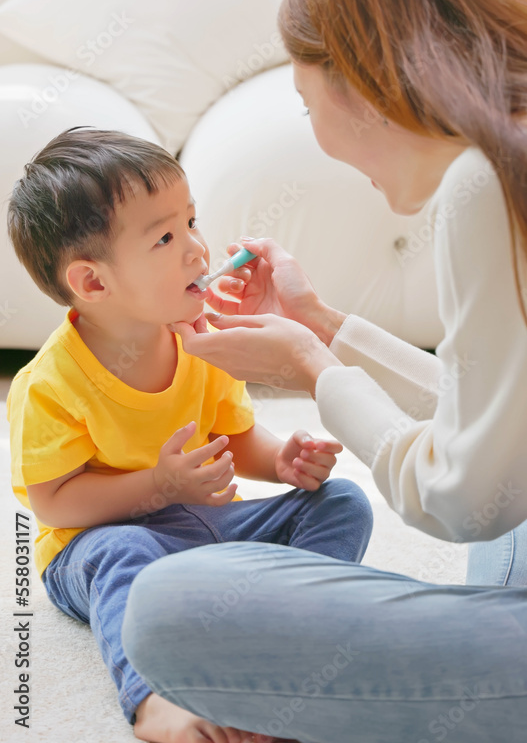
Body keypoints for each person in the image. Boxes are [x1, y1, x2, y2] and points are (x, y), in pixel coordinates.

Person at [121, 0, 527, 742]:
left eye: (307, 107)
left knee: (167, 609)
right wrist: (322, 324)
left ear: (361, 84)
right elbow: (496, 433)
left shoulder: (481, 186)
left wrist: (309, 364)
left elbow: (463, 498)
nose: (318, 138)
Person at [5, 127, 374, 743]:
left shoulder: (199, 339)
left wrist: (282, 461)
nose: (199, 251)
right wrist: (158, 485)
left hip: (206, 533)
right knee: (121, 552)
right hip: (97, 547)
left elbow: (235, 440)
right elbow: (53, 503)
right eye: (166, 237)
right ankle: (152, 703)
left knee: (343, 503)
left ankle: (278, 633)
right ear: (93, 283)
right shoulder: (50, 384)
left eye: (192, 221)